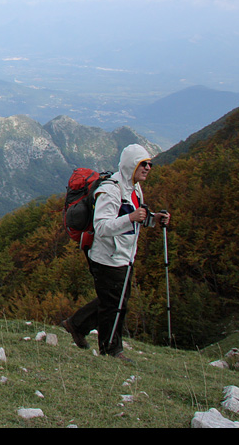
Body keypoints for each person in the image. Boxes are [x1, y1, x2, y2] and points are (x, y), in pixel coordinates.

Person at [61, 143, 171, 362]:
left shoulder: (134, 189)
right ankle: (111, 350)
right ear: (132, 164)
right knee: (115, 304)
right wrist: (131, 218)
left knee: (115, 300)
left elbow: (134, 217)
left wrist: (153, 219)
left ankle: (77, 324)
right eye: (143, 164)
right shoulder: (111, 190)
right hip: (107, 257)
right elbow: (102, 227)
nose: (148, 168)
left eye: (150, 164)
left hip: (123, 256)